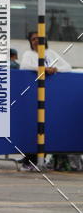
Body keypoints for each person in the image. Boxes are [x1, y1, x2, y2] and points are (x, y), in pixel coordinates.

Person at [18, 32, 72, 172]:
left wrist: (55, 69)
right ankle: (29, 160)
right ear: (30, 42)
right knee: (34, 127)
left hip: (52, 96)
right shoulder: (28, 55)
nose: (36, 41)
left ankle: (49, 158)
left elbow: (68, 67)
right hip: (33, 96)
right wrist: (41, 69)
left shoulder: (51, 53)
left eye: (39, 38)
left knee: (49, 127)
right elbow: (24, 67)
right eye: (33, 39)